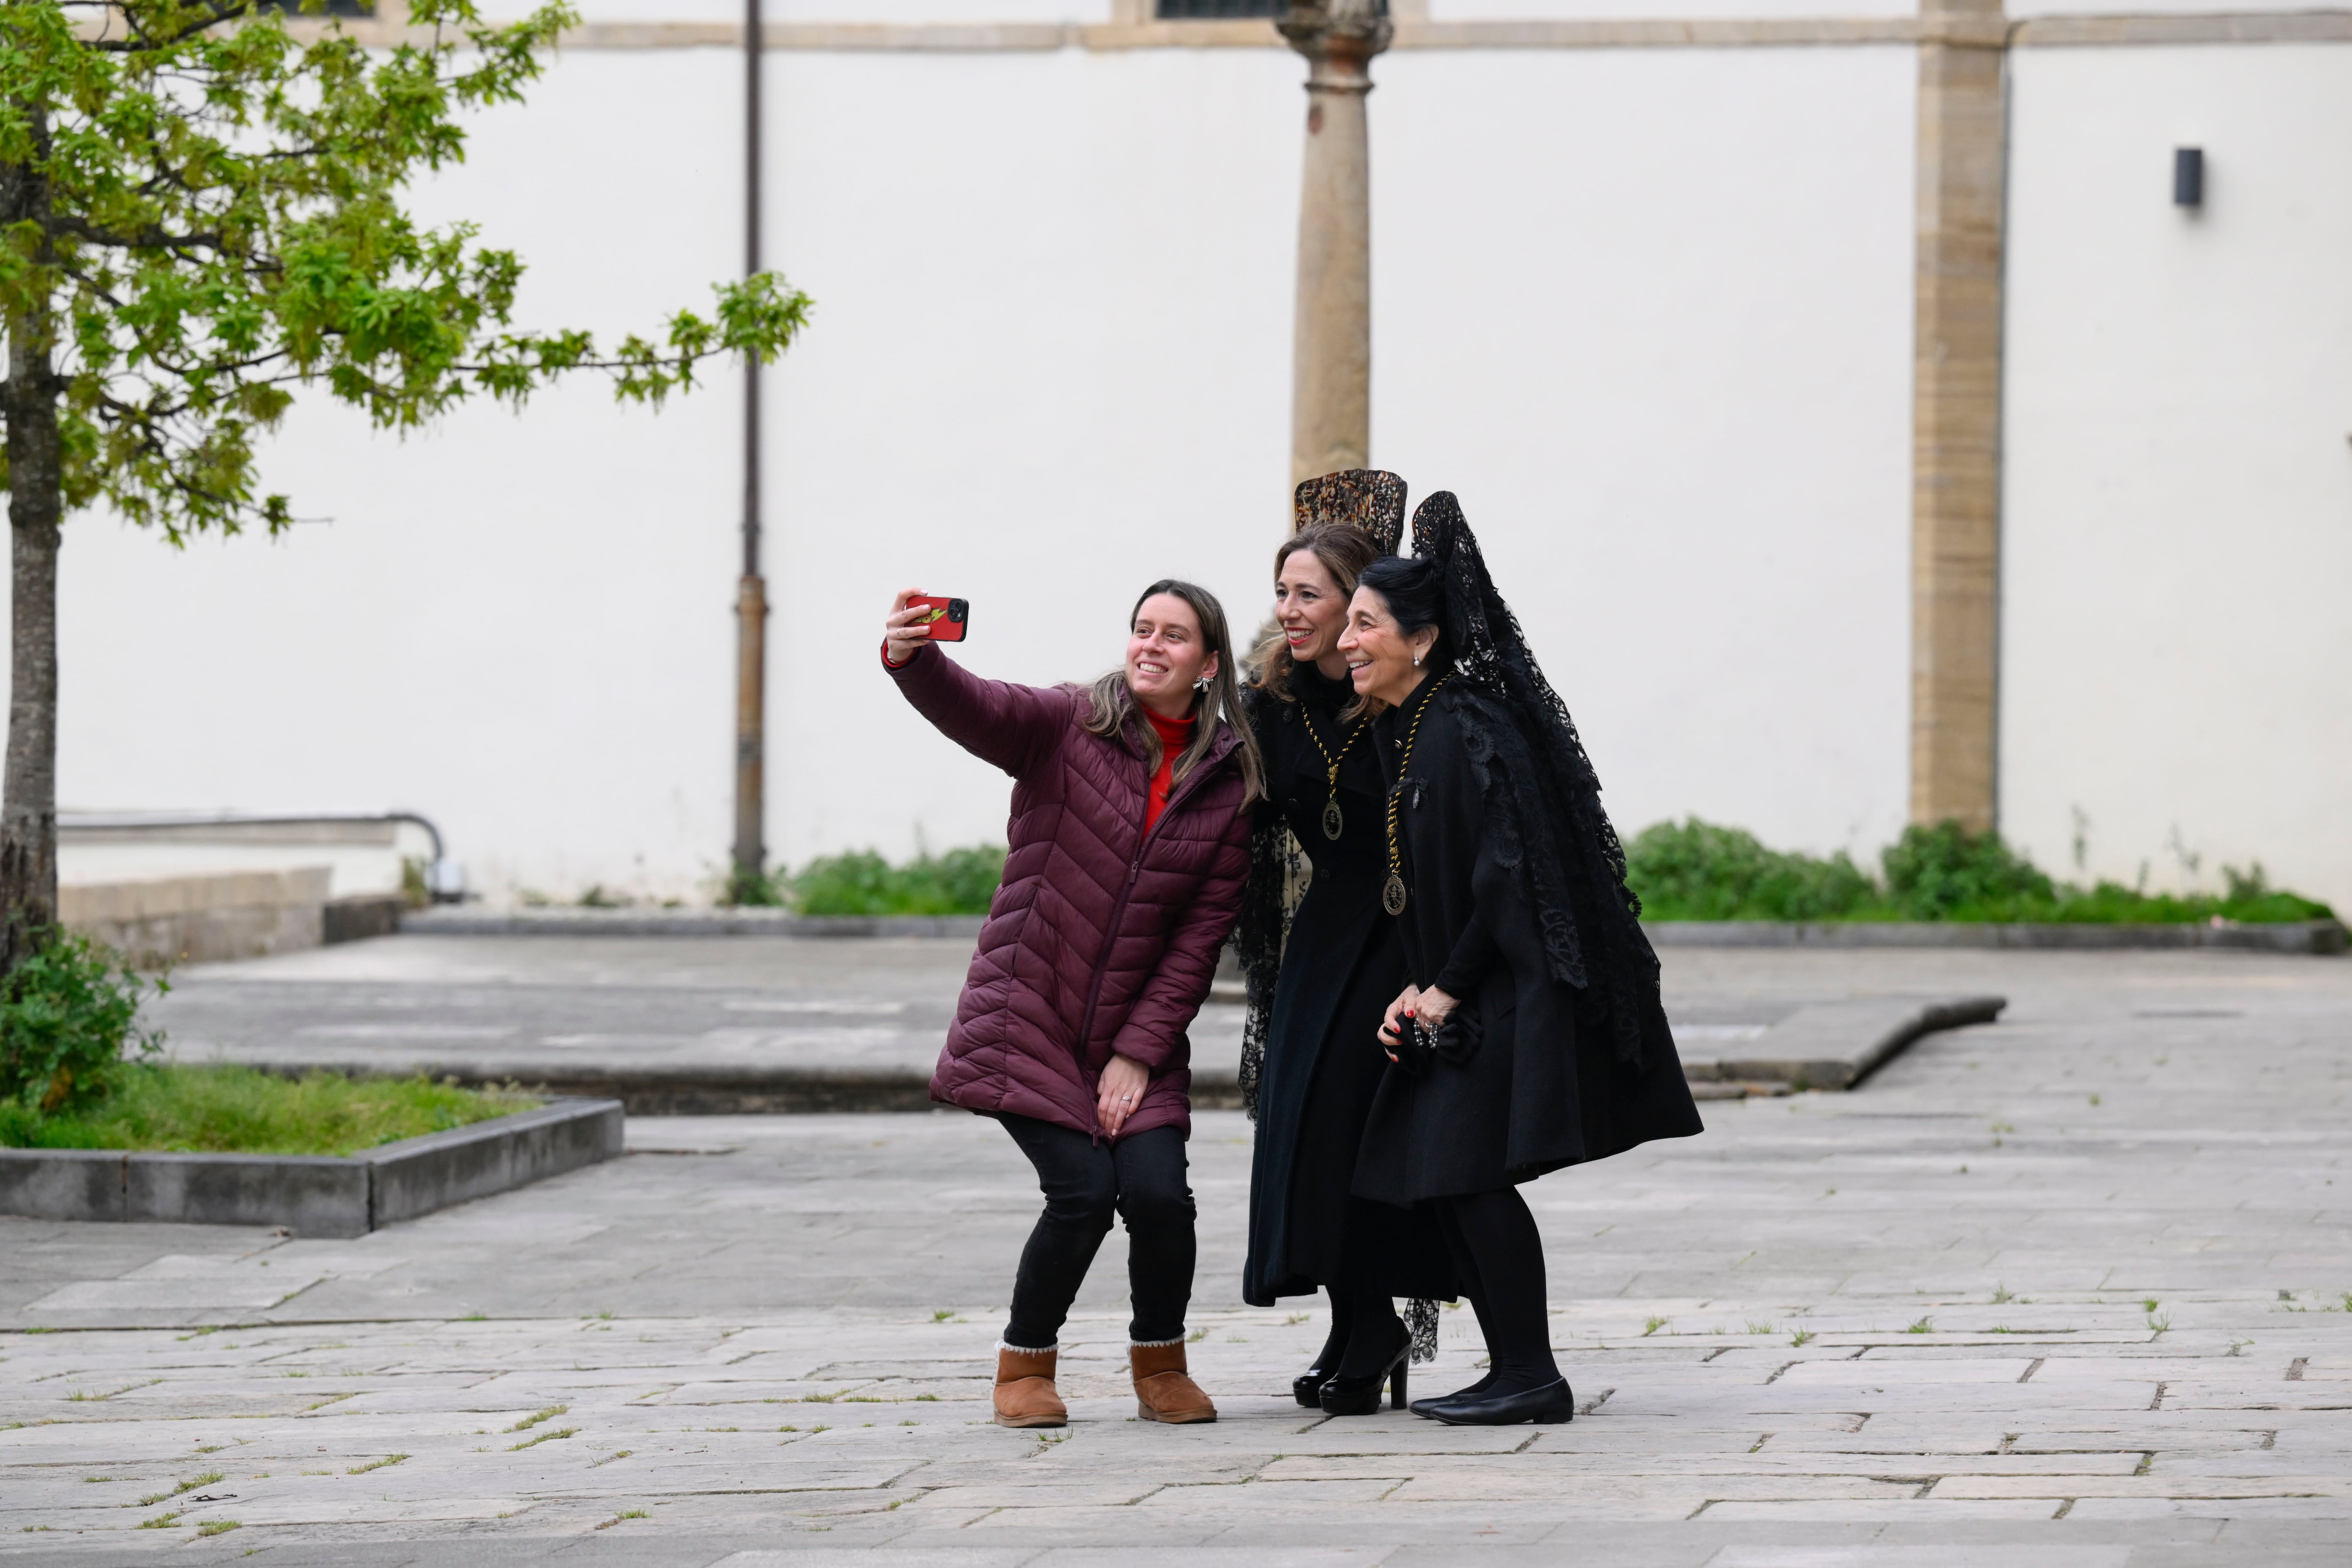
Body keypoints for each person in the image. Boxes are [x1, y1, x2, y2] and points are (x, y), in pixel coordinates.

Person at [1338, 493, 1705, 1426]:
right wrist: (1415, 985)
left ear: (1423, 639)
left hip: (1505, 991)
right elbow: (1432, 883)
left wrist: (1445, 987)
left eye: (1365, 623)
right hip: (1464, 991)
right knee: (1443, 1171)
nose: (1347, 640)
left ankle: (1532, 1373)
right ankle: (1514, 1368)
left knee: (1464, 1169)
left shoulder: (1468, 726)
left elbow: (1506, 879)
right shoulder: (1408, 727)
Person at [881, 580, 1260, 1430]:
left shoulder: (1229, 781)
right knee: (1084, 1191)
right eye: (1142, 629)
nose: (1151, 645)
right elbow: (978, 706)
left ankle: (1162, 1363)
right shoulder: (1068, 722)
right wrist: (915, 658)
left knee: (1160, 1197)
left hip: (1135, 1037)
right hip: (1028, 1017)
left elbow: (1199, 938)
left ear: (1208, 663)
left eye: (1173, 635)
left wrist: (1139, 1050)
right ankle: (1025, 1365)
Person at [1234, 473, 1456, 1418]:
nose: (1290, 611)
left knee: (1352, 1126)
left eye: (1309, 594)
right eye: (1281, 592)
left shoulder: (1401, 694)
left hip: (1401, 932)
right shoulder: (1270, 702)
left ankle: (1372, 1322)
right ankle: (1353, 1319)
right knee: (1303, 1128)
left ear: (1356, 603)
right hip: (1325, 937)